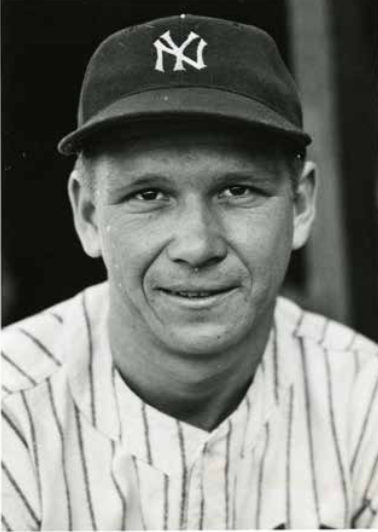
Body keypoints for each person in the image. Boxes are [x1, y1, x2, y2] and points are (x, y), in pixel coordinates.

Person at [2, 14, 378, 530]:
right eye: (148, 195)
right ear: (88, 214)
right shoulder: (12, 410)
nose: (198, 245)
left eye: (237, 190)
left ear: (301, 205)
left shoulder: (364, 400)